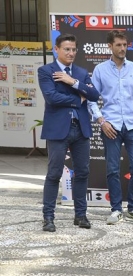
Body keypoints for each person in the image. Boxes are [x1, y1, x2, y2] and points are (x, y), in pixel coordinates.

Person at [89, 30, 133, 225]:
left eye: (125, 45)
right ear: (110, 46)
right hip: (111, 126)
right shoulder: (100, 70)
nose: (123, 48)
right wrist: (102, 121)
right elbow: (92, 100)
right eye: (118, 45)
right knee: (112, 169)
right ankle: (116, 209)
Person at [38, 33, 101, 232]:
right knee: (54, 173)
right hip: (58, 130)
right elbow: (51, 98)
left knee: (82, 172)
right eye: (67, 49)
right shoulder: (46, 71)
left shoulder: (81, 73)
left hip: (80, 129)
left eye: (74, 49)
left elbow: (94, 94)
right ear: (56, 49)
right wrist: (77, 99)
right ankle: (48, 217)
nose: (71, 53)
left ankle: (80, 215)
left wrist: (72, 81)